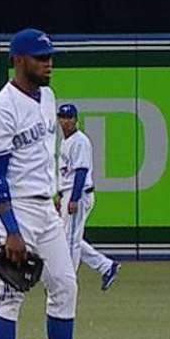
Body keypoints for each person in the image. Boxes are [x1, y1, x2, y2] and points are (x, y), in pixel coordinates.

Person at [0, 28, 110, 339]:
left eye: (49, 57)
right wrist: (12, 231)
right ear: (18, 61)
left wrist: (51, 198)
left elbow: (41, 157)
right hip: (10, 208)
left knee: (65, 284)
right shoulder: (2, 110)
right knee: (10, 292)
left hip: (43, 208)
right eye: (38, 57)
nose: (47, 63)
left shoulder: (47, 98)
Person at [56, 104, 121, 292]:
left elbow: (81, 171)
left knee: (70, 240)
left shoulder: (80, 141)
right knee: (67, 236)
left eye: (69, 117)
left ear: (76, 119)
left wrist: (74, 198)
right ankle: (106, 266)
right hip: (68, 194)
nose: (66, 121)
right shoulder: (65, 141)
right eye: (62, 117)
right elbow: (65, 172)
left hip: (80, 194)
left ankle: (66, 282)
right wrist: (61, 195)